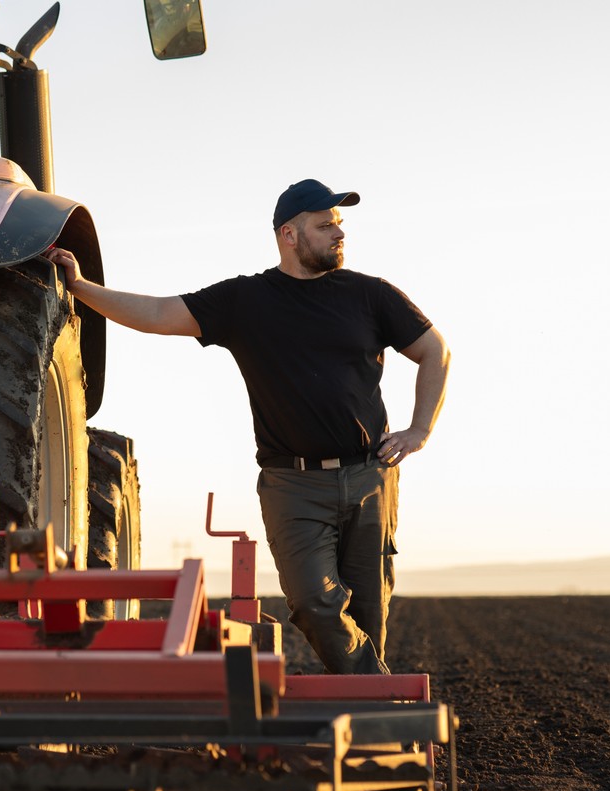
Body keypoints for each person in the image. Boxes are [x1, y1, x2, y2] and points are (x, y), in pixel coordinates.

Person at [45, 179, 450, 674]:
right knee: (312, 603)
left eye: (339, 225)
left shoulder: (371, 296)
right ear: (289, 235)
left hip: (371, 477)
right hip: (293, 485)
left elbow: (435, 352)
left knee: (369, 614)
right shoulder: (246, 300)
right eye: (325, 226)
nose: (338, 234)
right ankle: (386, 702)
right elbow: (157, 313)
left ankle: (371, 726)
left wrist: (419, 430)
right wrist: (82, 288)